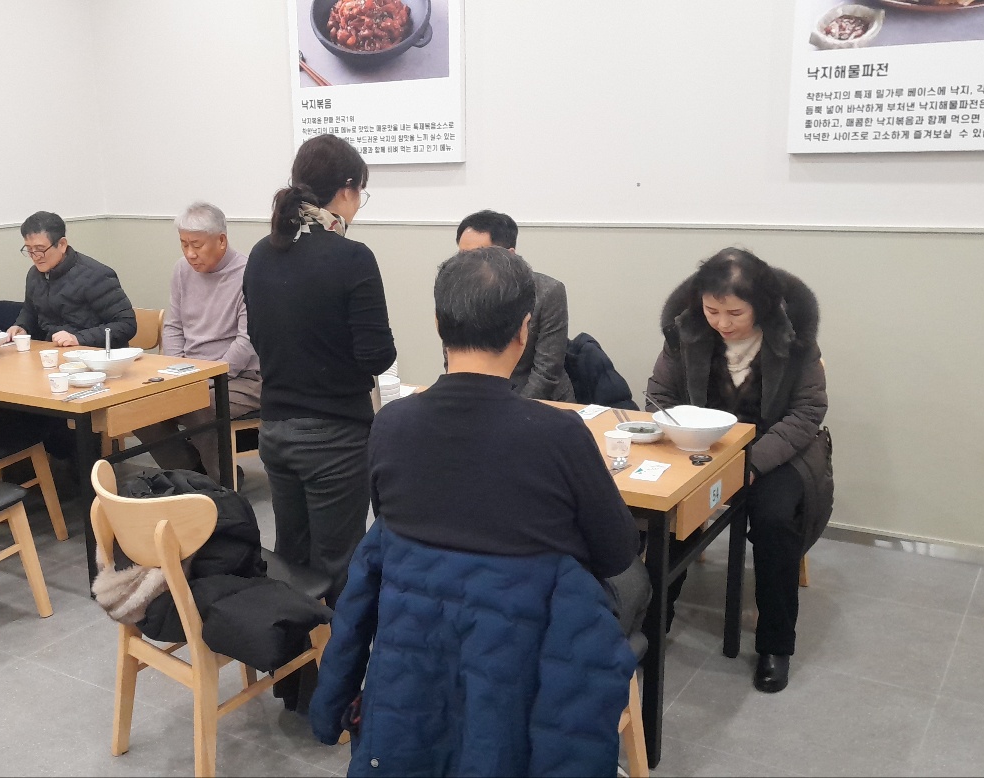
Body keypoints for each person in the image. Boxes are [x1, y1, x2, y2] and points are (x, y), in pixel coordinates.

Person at [308, 248, 640, 776]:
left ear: (438, 324)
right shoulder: (558, 434)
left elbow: (391, 523)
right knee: (633, 586)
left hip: (412, 655)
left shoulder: (391, 424)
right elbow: (616, 551)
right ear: (524, 330)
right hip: (518, 664)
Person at [647, 247, 833, 694]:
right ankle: (653, 622)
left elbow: (807, 412)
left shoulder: (794, 339)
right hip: (702, 448)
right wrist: (685, 437)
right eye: (712, 311)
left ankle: (775, 644)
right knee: (668, 510)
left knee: (774, 520)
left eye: (734, 313)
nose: (722, 324)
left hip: (776, 450)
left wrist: (751, 463)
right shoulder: (686, 331)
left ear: (762, 306)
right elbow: (659, 396)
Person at [244, 133, 396, 599]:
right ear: (347, 189)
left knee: (291, 557)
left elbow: (259, 337)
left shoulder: (262, 252)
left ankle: (294, 644)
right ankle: (340, 646)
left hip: (274, 431)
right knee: (339, 565)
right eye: (361, 192)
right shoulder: (352, 257)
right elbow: (377, 356)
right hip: (335, 437)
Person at [133, 202, 260, 484]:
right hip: (190, 373)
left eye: (197, 245)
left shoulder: (249, 274)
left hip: (242, 377)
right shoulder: (181, 270)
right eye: (184, 244)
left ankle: (223, 483)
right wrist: (177, 371)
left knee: (195, 403)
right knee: (136, 408)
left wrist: (206, 378)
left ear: (221, 240)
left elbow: (247, 340)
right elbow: (174, 326)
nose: (190, 253)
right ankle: (192, 474)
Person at [455, 210, 573, 402]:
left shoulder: (548, 292)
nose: (467, 266)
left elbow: (547, 372)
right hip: (480, 398)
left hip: (538, 400)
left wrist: (511, 409)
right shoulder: (456, 291)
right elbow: (454, 359)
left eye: (479, 256)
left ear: (510, 255)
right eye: (462, 256)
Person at [7, 211, 136, 348]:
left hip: (94, 353)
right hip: (55, 350)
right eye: (29, 249)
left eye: (40, 249)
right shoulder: (34, 274)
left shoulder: (95, 275)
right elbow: (30, 311)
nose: (35, 256)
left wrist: (78, 338)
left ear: (62, 244)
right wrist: (22, 326)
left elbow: (126, 325)